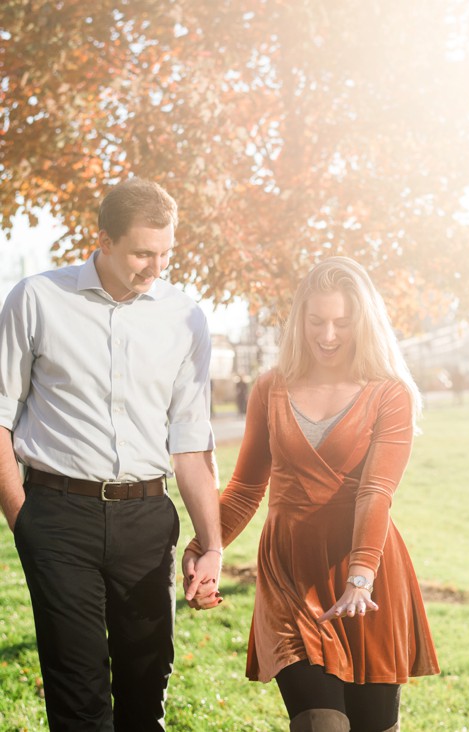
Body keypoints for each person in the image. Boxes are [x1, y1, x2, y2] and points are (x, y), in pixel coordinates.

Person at [0, 177, 222, 730]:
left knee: (147, 689)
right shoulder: (37, 299)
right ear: (102, 239)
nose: (156, 266)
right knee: (78, 694)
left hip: (147, 520)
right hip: (57, 517)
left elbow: (192, 443)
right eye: (143, 253)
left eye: (166, 252)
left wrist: (212, 544)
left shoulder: (186, 317)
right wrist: (22, 517)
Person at [182, 257, 439, 732]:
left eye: (343, 322)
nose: (328, 335)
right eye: (317, 321)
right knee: (320, 723)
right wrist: (204, 547)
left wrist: (361, 575)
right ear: (299, 320)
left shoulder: (389, 393)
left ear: (363, 323)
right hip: (290, 573)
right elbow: (245, 488)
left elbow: (376, 490)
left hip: (366, 576)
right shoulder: (270, 389)